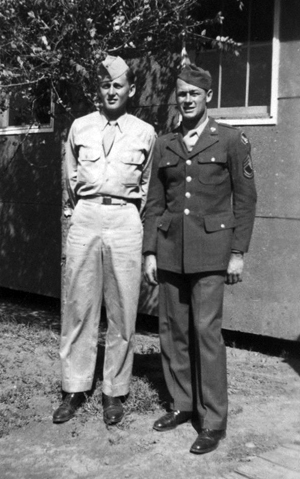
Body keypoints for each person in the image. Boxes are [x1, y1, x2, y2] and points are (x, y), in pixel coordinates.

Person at [143, 64, 257, 454]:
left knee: (206, 334)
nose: (187, 100)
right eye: (182, 94)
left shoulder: (229, 139)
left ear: (208, 96)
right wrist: (150, 251)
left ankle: (212, 421)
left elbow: (246, 199)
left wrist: (238, 252)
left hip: (212, 253)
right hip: (171, 250)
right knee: (172, 333)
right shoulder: (165, 143)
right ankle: (181, 404)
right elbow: (155, 202)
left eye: (194, 93)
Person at [53, 55, 156, 426]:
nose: (111, 91)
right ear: (98, 90)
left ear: (130, 89)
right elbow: (69, 179)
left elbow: (147, 186)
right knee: (79, 305)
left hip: (126, 218)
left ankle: (114, 392)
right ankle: (75, 388)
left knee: (123, 309)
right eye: (105, 85)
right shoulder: (79, 127)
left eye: (118, 85)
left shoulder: (145, 132)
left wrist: (132, 217)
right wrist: (80, 212)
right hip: (86, 215)